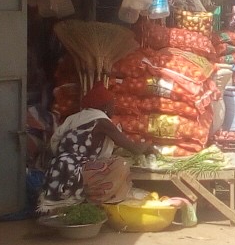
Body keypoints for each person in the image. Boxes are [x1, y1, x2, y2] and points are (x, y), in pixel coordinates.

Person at [40, 83, 152, 212]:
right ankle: (93, 200)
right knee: (121, 164)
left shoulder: (73, 118)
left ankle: (65, 200)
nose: (114, 107)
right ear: (104, 106)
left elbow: (54, 142)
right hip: (77, 170)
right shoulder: (102, 121)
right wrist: (149, 145)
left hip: (58, 167)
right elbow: (135, 149)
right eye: (112, 104)